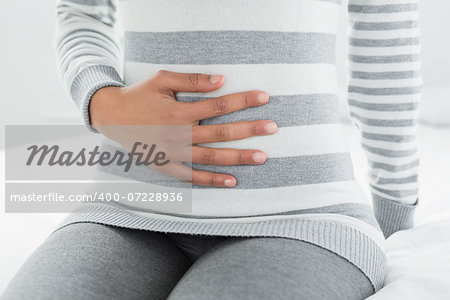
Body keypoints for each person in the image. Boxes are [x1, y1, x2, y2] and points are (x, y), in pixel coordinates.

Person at [2, 0, 421, 299]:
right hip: (124, 207)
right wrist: (102, 101)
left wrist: (395, 220)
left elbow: (386, 48)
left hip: (304, 216)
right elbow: (81, 10)